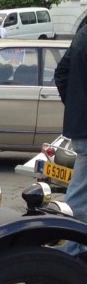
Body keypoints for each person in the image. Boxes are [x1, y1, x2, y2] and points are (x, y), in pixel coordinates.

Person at [54, 19, 87, 254]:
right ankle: (68, 257)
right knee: (80, 194)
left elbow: (61, 73)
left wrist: (77, 107)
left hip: (81, 125)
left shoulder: (82, 30)